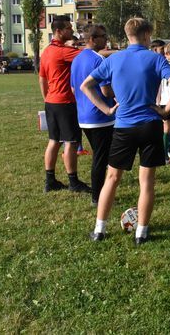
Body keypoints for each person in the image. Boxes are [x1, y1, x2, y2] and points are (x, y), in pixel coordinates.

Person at [81, 17, 170, 244]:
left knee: (112, 178)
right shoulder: (155, 58)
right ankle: (141, 233)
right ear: (146, 35)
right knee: (146, 181)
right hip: (150, 125)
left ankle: (99, 230)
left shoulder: (113, 59)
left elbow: (85, 85)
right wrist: (165, 111)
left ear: (127, 36)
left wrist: (107, 110)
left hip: (123, 127)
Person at [38, 15, 91, 194]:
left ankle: (50, 180)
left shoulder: (46, 51)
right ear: (58, 31)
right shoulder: (62, 51)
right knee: (71, 142)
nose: (71, 30)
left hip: (51, 102)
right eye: (68, 28)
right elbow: (89, 54)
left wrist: (47, 98)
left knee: (54, 141)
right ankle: (73, 182)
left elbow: (42, 79)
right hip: (65, 102)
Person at [70, 24, 115, 206]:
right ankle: (98, 198)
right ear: (92, 39)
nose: (106, 39)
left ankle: (101, 193)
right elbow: (106, 91)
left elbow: (74, 89)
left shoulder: (77, 59)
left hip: (84, 117)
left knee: (100, 156)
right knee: (101, 158)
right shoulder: (99, 60)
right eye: (103, 36)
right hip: (101, 117)